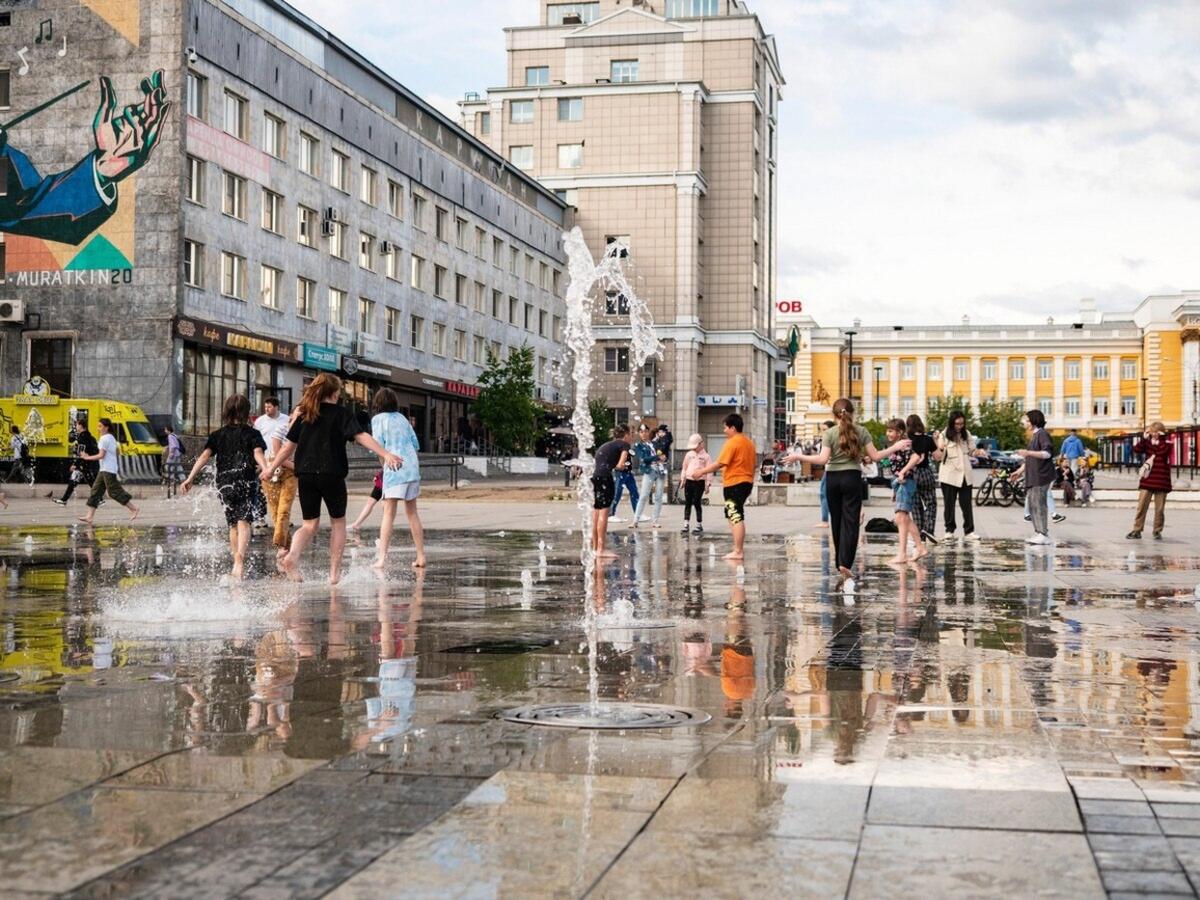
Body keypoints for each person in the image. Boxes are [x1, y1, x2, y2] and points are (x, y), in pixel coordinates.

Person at [262, 373, 400, 585]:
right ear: (335, 394)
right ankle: (334, 575)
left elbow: (288, 447)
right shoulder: (341, 414)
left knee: (309, 524)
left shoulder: (305, 414)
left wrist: (270, 468)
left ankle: (291, 557)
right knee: (338, 523)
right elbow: (362, 436)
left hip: (305, 474)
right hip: (331, 474)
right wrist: (385, 454)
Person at [782, 399, 910, 593]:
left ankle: (839, 563)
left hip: (832, 478)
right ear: (853, 412)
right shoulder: (862, 431)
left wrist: (799, 456)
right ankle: (845, 563)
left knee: (837, 521)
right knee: (851, 522)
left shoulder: (830, 433)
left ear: (834, 415)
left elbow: (822, 459)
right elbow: (875, 456)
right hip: (852, 477)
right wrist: (896, 446)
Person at [180, 394, 268, 581]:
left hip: (224, 483)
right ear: (246, 412)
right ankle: (240, 560)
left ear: (227, 411)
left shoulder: (217, 435)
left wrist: (190, 478)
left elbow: (204, 457)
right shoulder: (253, 434)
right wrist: (267, 468)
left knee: (232, 523)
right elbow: (258, 453)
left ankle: (235, 557)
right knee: (244, 520)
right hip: (245, 479)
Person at [370, 388, 426, 569]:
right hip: (411, 466)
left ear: (378, 403)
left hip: (394, 467)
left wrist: (383, 469)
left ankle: (382, 558)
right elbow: (415, 444)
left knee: (388, 513)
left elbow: (379, 447)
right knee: (412, 513)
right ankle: (421, 556)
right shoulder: (402, 418)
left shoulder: (378, 420)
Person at [693, 413, 756, 561]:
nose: (724, 431)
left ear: (732, 428)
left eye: (725, 428)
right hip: (746, 482)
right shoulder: (749, 443)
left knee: (735, 516)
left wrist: (701, 472)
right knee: (734, 515)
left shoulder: (732, 442)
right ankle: (737, 549)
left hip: (734, 483)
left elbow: (720, 463)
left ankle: (738, 551)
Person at [934, 410, 987, 542]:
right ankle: (949, 531)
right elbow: (939, 449)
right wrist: (937, 439)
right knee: (949, 504)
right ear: (952, 423)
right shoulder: (944, 433)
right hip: (949, 474)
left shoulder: (966, 433)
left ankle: (969, 531)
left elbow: (971, 450)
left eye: (962, 424)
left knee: (966, 504)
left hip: (965, 474)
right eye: (957, 424)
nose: (960, 426)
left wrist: (978, 452)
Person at [78, 418, 140, 524]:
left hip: (107, 469)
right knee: (95, 491)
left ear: (106, 427)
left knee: (113, 492)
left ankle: (134, 509)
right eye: (98, 426)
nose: (98, 429)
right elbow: (117, 452)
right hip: (106, 469)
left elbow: (101, 455)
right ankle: (89, 516)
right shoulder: (111, 437)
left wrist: (87, 457)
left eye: (100, 426)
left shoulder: (104, 439)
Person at [885, 418, 925, 563]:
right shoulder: (897, 445)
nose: (887, 433)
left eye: (891, 430)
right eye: (887, 430)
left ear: (900, 432)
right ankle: (920, 547)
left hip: (906, 481)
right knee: (904, 518)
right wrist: (895, 491)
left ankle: (902, 554)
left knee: (901, 518)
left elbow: (916, 457)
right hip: (901, 483)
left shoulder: (905, 444)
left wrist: (903, 472)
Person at [592, 424, 633, 559]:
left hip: (596, 477)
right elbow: (621, 465)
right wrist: (621, 465)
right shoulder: (624, 445)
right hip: (605, 478)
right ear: (625, 435)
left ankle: (595, 547)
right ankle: (601, 549)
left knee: (596, 512)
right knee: (605, 512)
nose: (632, 437)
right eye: (631, 434)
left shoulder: (606, 445)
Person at [1015, 409, 1055, 545]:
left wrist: (1028, 452)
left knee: (1039, 504)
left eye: (1026, 420)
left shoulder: (1042, 434)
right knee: (1033, 505)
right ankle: (1039, 532)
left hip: (1041, 476)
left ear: (1033, 421)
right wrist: (1020, 471)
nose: (1025, 423)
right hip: (1033, 476)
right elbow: (1030, 458)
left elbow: (1047, 453)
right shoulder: (1035, 435)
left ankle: (1043, 533)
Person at [1127, 421, 1172, 540]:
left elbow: (1162, 452)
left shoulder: (1167, 442)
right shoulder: (1147, 442)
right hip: (1147, 480)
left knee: (1159, 509)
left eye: (1157, 432)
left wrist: (1161, 439)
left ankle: (1157, 531)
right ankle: (1137, 530)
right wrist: (1144, 439)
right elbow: (1136, 450)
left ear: (1161, 432)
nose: (1154, 434)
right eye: (1152, 432)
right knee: (1141, 507)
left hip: (1162, 481)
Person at [906, 415, 938, 544]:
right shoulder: (928, 439)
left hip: (911, 473)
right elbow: (938, 457)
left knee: (915, 505)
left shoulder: (907, 440)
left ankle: (920, 535)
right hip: (925, 473)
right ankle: (928, 529)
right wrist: (935, 441)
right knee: (931, 503)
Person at [632, 424, 667, 528]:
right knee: (643, 495)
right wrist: (657, 457)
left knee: (659, 496)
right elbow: (644, 459)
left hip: (660, 470)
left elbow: (663, 455)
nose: (644, 434)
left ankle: (654, 521)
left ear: (648, 432)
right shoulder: (638, 446)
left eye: (645, 431)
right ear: (639, 433)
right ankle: (635, 520)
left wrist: (663, 457)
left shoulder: (655, 443)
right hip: (649, 471)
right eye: (641, 432)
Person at [679, 433, 712, 534]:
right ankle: (686, 524)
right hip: (689, 481)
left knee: (697, 502)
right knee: (688, 502)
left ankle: (699, 525)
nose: (694, 449)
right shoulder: (689, 455)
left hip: (700, 482)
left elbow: (709, 471)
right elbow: (684, 468)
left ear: (701, 444)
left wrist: (707, 484)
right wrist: (682, 479)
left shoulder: (706, 457)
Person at [608, 437, 640, 523]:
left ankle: (638, 513)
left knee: (634, 491)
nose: (630, 436)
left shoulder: (627, 446)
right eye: (629, 435)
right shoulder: (617, 446)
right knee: (617, 492)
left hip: (628, 472)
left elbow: (632, 455)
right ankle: (611, 514)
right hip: (620, 472)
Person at [815, 420, 834, 529]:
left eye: (825, 430)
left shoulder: (829, 440)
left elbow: (823, 458)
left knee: (824, 494)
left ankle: (824, 520)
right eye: (821, 430)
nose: (823, 432)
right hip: (832, 469)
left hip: (830, 470)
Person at [73, 418, 99, 485]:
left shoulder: (82, 437)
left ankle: (98, 493)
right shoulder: (91, 437)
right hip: (92, 462)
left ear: (81, 426)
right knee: (90, 480)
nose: (76, 426)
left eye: (77, 425)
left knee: (74, 481)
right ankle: (97, 493)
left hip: (85, 463)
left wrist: (75, 464)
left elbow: (81, 453)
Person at [162, 425, 184, 499]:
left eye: (165, 429)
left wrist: (170, 454)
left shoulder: (170, 436)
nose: (165, 431)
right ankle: (183, 479)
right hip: (178, 454)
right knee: (178, 466)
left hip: (173, 454)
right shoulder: (174, 435)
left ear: (168, 430)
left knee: (167, 466)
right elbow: (175, 444)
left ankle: (171, 480)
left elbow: (173, 446)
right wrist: (167, 447)